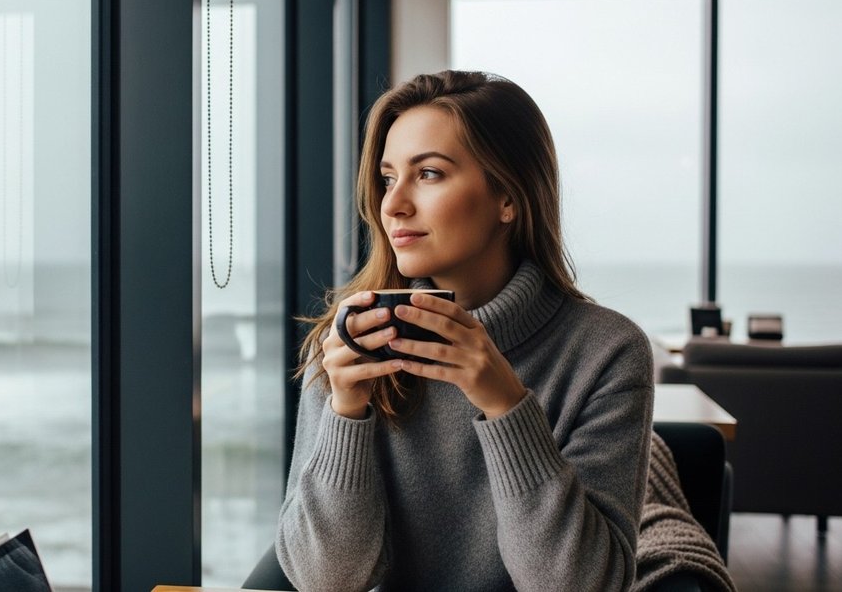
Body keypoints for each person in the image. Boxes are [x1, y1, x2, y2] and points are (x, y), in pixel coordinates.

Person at [275, 70, 654, 591]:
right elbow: (324, 580)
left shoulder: (607, 353)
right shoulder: (350, 339)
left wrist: (505, 404)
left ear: (509, 198)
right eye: (388, 178)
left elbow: (579, 585)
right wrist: (346, 413)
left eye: (428, 174)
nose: (393, 204)